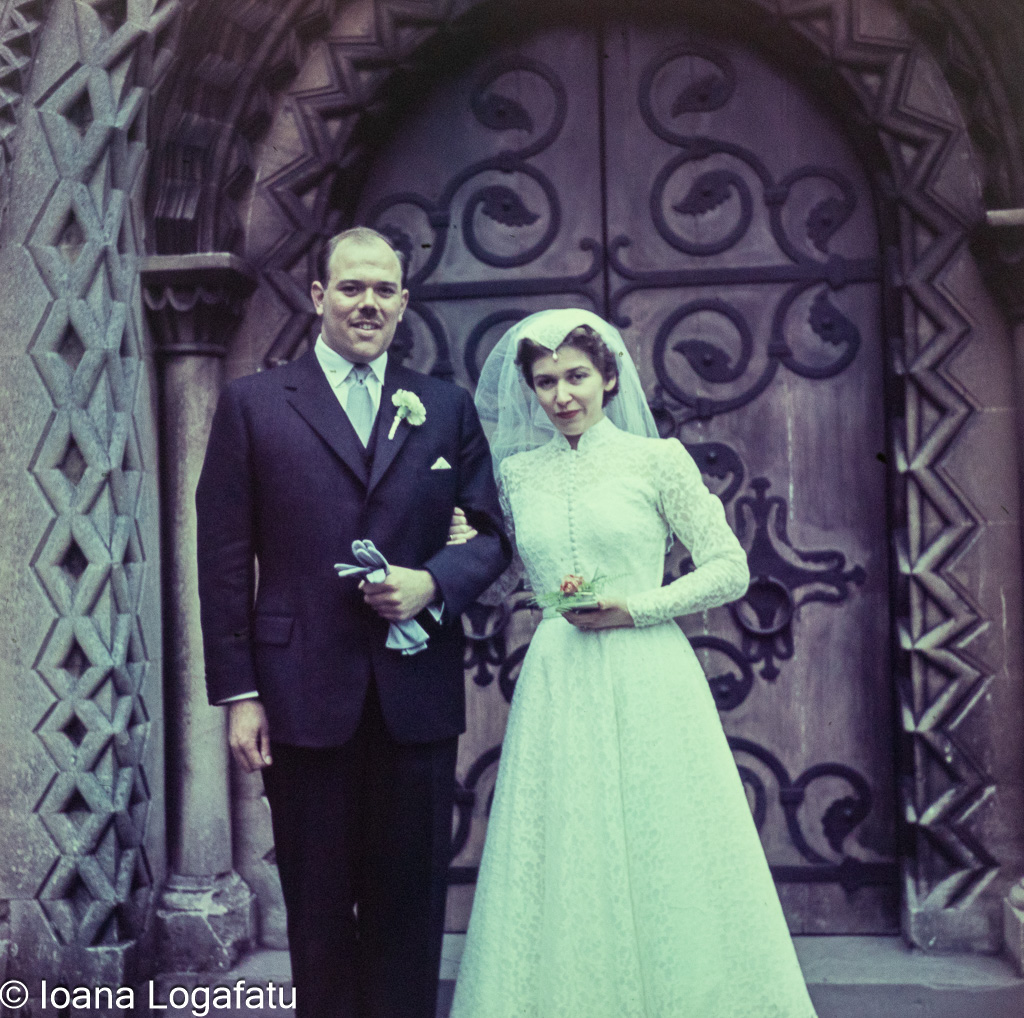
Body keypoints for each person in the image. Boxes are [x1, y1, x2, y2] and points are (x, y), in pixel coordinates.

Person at [450, 308, 819, 1017]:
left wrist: (636, 607)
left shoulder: (659, 461)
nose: (563, 395)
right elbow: (497, 566)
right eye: (547, 381)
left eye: (577, 376)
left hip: (648, 667)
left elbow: (729, 569)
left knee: (663, 839)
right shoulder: (519, 474)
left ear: (610, 378)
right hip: (559, 674)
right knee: (566, 842)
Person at [195, 227, 510, 1018]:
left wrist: (432, 583)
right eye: (351, 288)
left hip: (416, 698)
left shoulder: (446, 407)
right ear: (318, 298)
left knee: (411, 909)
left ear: (404, 303)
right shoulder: (254, 405)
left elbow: (494, 534)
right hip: (301, 695)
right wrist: (239, 692)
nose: (367, 303)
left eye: (383, 290)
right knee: (320, 910)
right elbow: (225, 558)